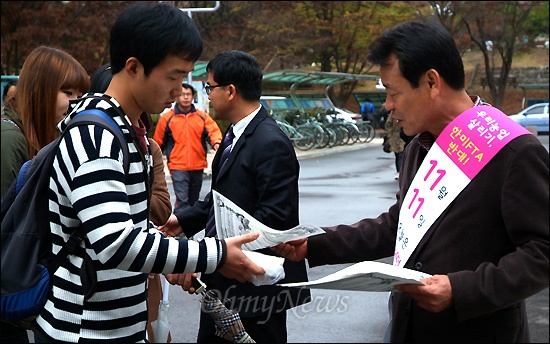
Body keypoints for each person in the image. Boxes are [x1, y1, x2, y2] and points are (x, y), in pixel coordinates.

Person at [274, 19, 549, 343]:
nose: (388, 106)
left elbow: (542, 252)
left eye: (393, 92)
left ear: (432, 82)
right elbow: (400, 223)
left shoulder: (513, 152)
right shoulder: (421, 145)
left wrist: (462, 290)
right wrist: (315, 244)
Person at [31, 4, 264, 342]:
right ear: (134, 67)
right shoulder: (96, 136)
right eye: (174, 76)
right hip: (84, 330)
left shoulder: (127, 131)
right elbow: (115, 242)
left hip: (117, 324)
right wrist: (215, 254)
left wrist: (173, 257)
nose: (179, 89)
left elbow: (128, 230)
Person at [159, 50, 311, 343]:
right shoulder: (235, 135)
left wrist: (207, 254)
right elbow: (221, 198)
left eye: (209, 87)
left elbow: (276, 219)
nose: (207, 95)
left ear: (230, 91)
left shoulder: (270, 142)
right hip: (226, 281)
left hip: (257, 287)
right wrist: (182, 220)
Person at [1, 46, 90, 343]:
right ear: (40, 91)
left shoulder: (46, 138)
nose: (76, 102)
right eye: (68, 92)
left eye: (81, 93)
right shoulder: (10, 139)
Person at [89, 63, 173, 342]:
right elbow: (112, 240)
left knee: (154, 333)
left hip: (143, 275)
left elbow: (162, 208)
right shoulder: (90, 143)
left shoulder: (149, 148)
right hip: (95, 297)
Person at [153, 82, 222, 214]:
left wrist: (217, 143)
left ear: (193, 97)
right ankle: (180, 231)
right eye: (182, 94)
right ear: (177, 96)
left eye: (188, 94)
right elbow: (158, 142)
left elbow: (213, 132)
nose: (185, 97)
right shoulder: (168, 118)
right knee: (182, 199)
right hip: (178, 166)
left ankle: (188, 230)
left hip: (198, 165)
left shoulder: (201, 116)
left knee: (193, 201)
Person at [384, 111, 405, 180]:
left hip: (402, 137)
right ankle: (399, 171)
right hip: (395, 138)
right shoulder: (393, 113)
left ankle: (401, 171)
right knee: (398, 155)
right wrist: (390, 135)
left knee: (400, 155)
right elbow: (388, 124)